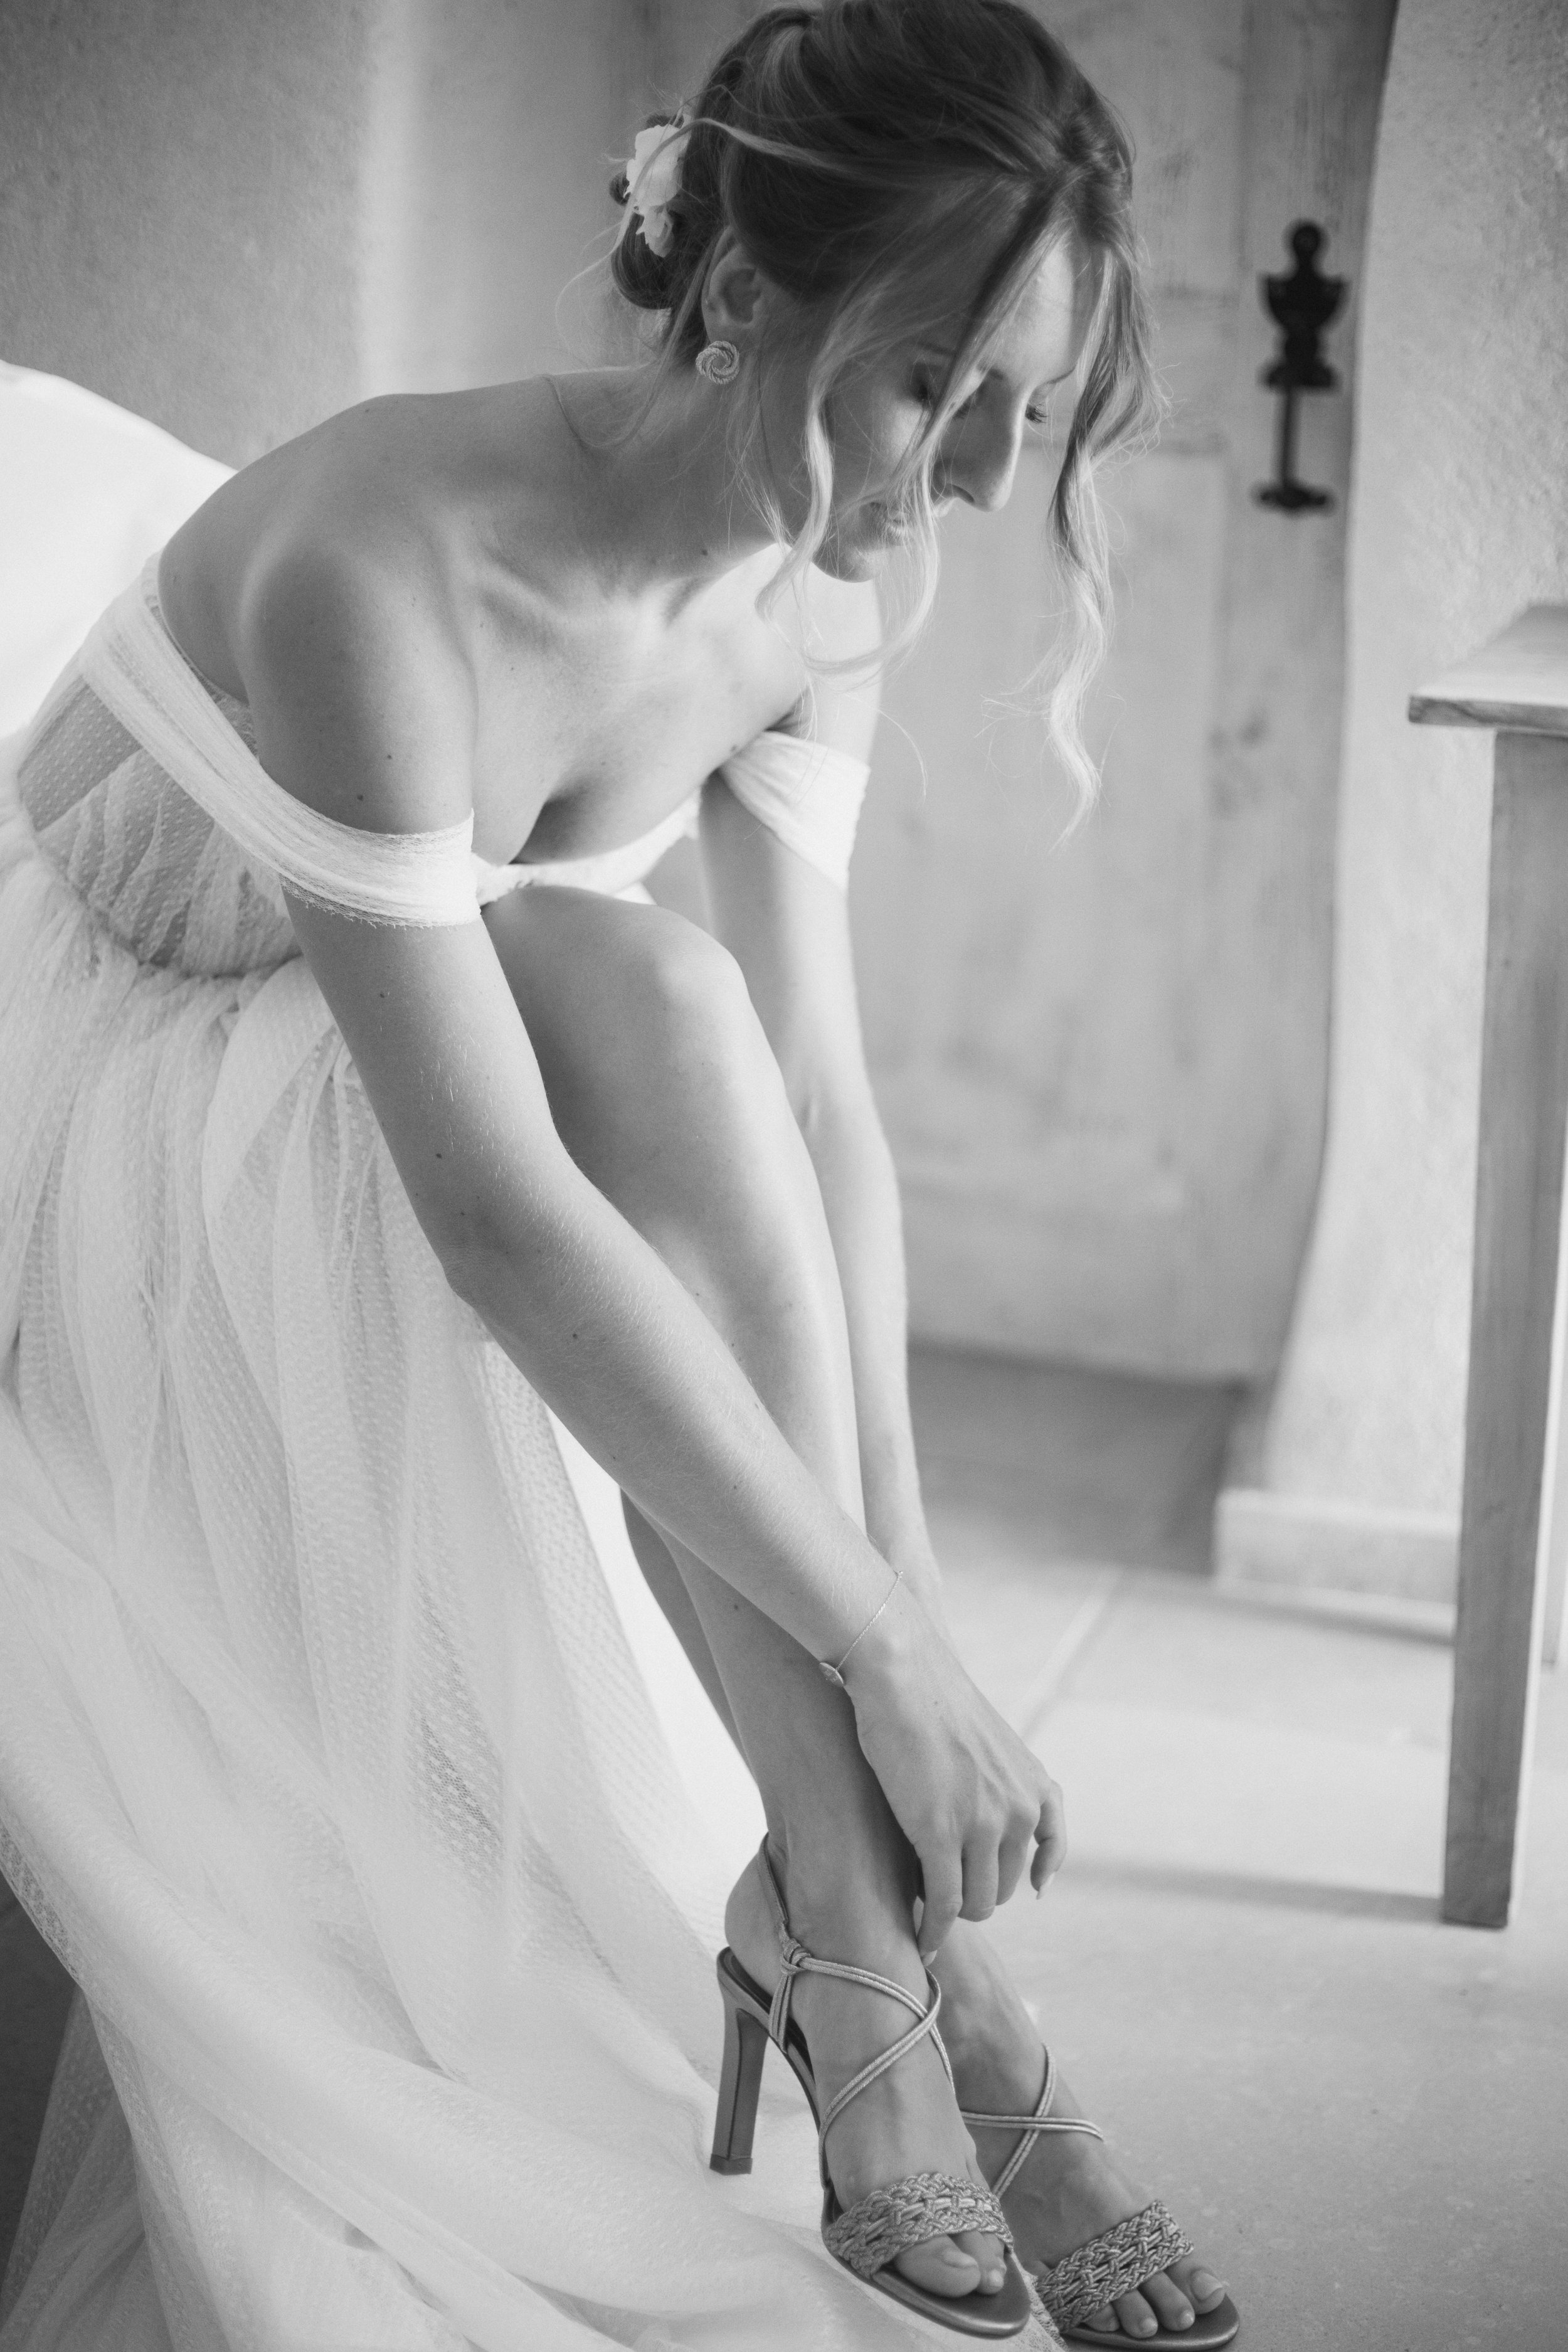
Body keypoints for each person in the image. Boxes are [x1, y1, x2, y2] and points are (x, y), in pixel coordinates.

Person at [0, 3, 1239, 2347]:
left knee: (679, 1013)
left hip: (447, 1044)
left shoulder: (835, 584)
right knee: (642, 996)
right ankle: (918, 1994)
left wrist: (908, 1585)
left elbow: (818, 1100)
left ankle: (858, 1945)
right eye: (933, 386)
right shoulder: (387, 556)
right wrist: (871, 1653)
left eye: (1031, 409)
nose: (982, 479)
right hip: (108, 1088)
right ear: (744, 292)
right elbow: (492, 1215)